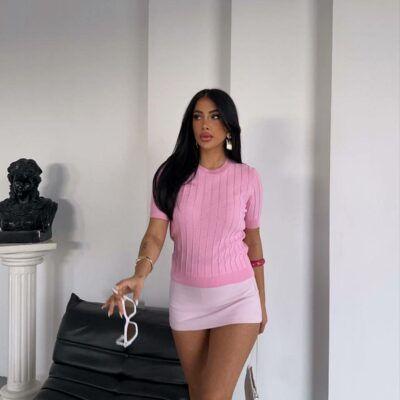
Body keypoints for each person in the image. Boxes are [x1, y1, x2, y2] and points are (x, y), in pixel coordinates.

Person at [102, 88, 268, 400]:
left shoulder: (248, 177)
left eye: (215, 116)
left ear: (228, 126)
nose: (205, 124)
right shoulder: (170, 175)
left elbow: (254, 243)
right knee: (198, 393)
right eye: (198, 116)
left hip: (238, 300)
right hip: (188, 302)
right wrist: (140, 273)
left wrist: (262, 302)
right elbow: (154, 236)